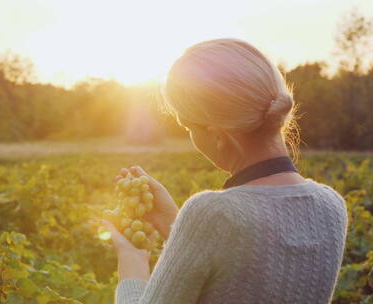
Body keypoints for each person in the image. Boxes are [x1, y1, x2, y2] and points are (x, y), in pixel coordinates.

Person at [101, 38, 348, 304]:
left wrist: (132, 263)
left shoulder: (212, 214)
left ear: (217, 134)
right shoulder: (331, 205)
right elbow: (243, 272)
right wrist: (173, 223)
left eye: (188, 127)